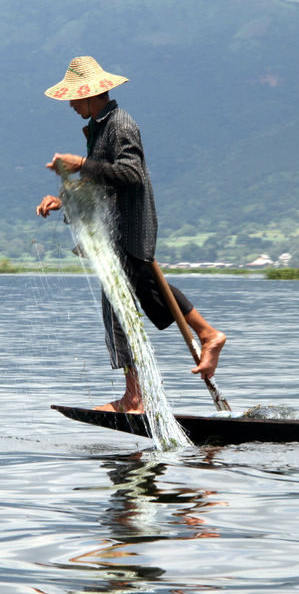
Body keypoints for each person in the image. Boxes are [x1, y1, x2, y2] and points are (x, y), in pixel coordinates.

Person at [36, 56, 226, 414]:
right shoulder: (98, 127)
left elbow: (130, 174)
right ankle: (207, 335)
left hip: (129, 226)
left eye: (76, 99)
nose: (72, 106)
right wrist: (62, 198)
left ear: (93, 95)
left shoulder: (120, 125)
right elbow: (99, 183)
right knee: (150, 293)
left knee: (117, 307)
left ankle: (135, 396)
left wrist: (81, 163)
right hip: (116, 228)